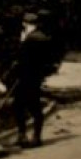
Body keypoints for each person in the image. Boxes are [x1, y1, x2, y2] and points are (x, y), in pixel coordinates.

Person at [11, 14, 54, 148]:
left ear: (25, 24)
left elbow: (22, 58)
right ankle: (31, 136)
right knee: (28, 106)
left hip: (27, 78)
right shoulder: (41, 37)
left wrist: (23, 42)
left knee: (24, 106)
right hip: (34, 77)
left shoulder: (31, 39)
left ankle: (28, 136)